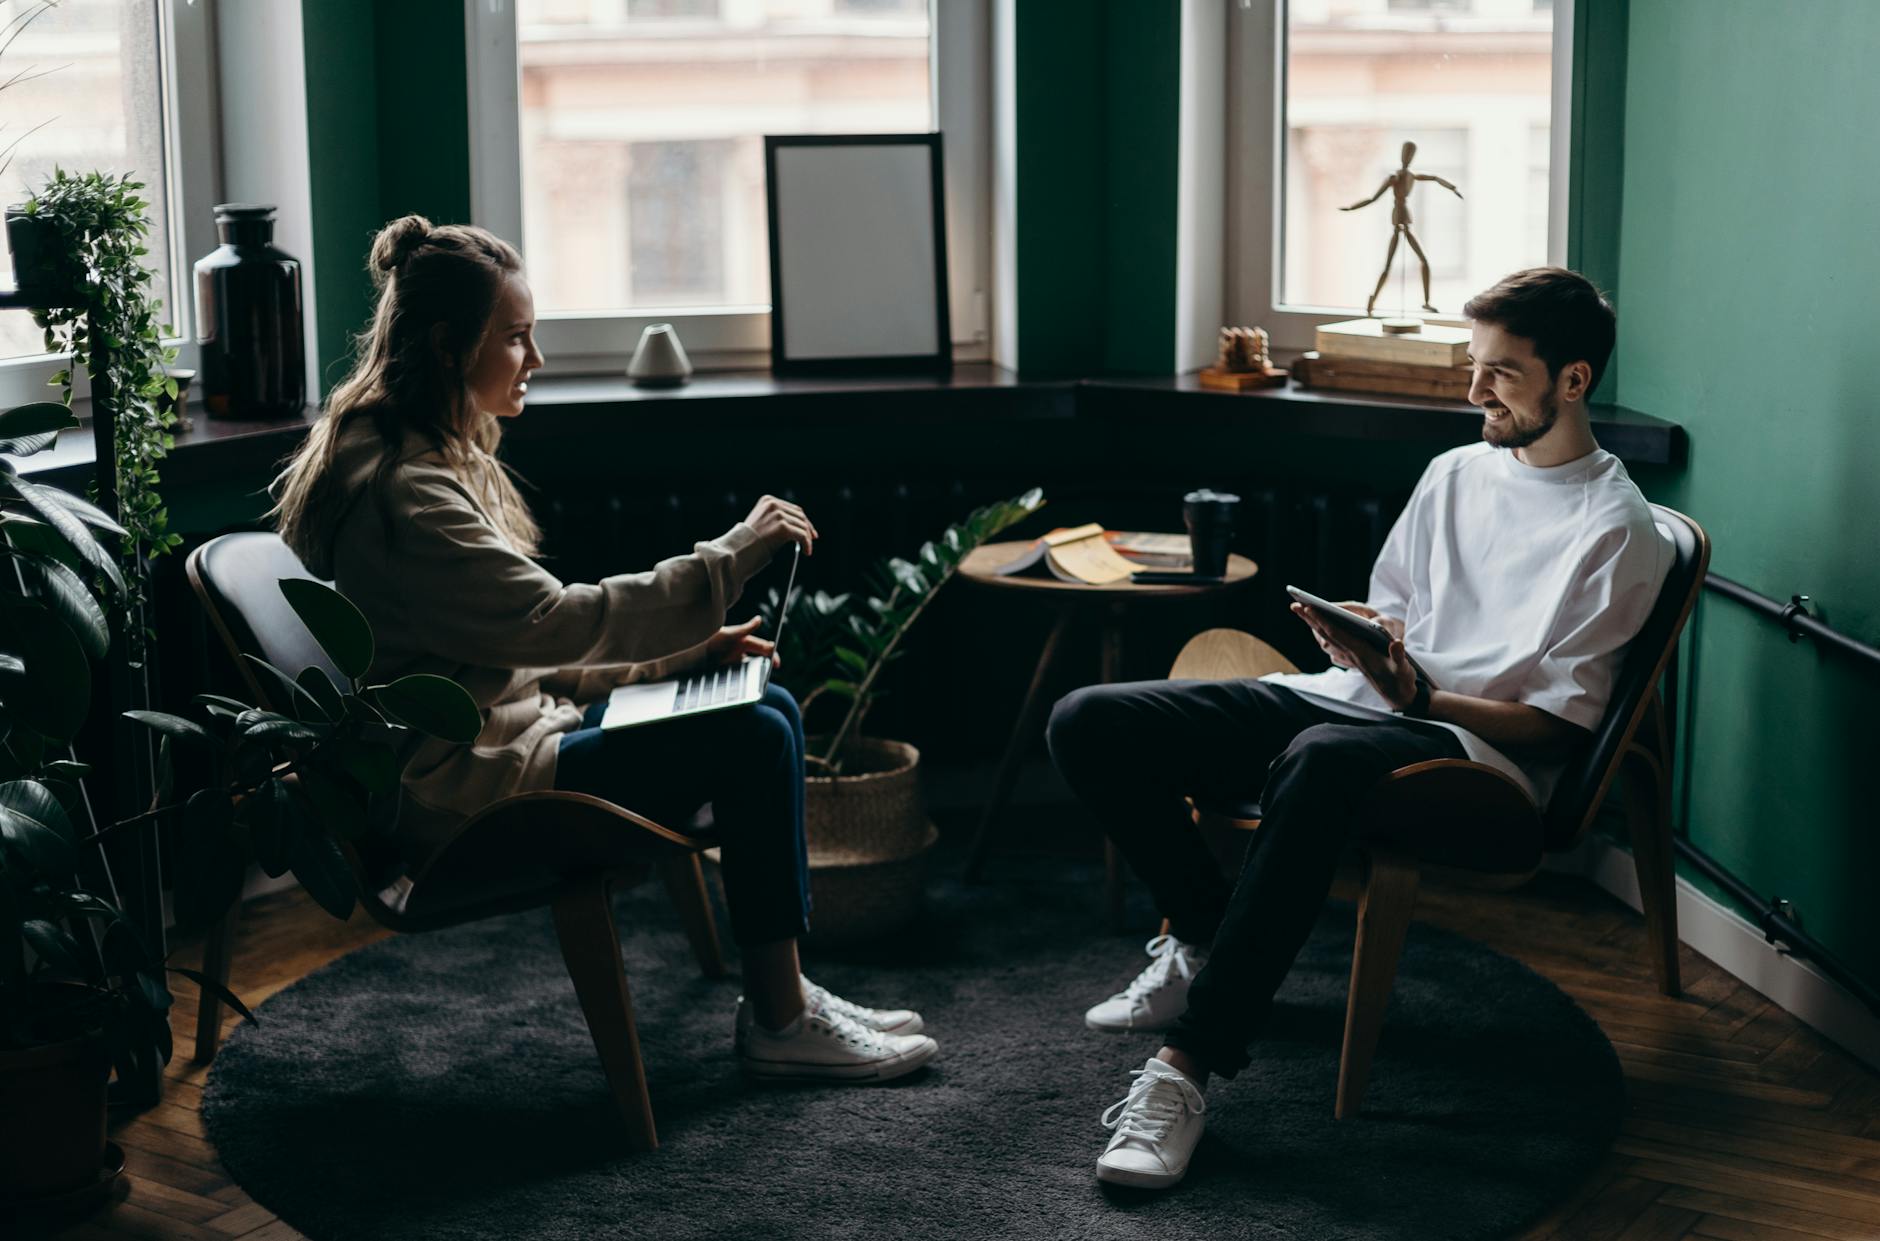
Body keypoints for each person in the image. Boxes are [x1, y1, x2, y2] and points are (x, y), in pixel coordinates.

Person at [270, 215, 938, 1083]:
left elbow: (523, 647)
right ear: (447, 345)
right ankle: (779, 1015)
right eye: (516, 337)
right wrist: (728, 556)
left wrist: (681, 655)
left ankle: (786, 992)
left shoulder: (432, 454)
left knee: (759, 700)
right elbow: (556, 622)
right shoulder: (409, 494)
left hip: (517, 746)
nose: (535, 360)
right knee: (757, 732)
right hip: (477, 792)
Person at [1047, 267, 1672, 1189]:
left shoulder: (1619, 530)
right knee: (1090, 720)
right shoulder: (1454, 472)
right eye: (1472, 365)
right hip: (1364, 705)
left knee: (1316, 758)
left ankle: (1186, 1067)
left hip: (1472, 755)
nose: (1473, 391)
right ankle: (1211, 934)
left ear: (1572, 380)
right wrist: (1362, 636)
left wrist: (1419, 698)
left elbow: (1553, 730)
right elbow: (1400, 618)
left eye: (1500, 373)